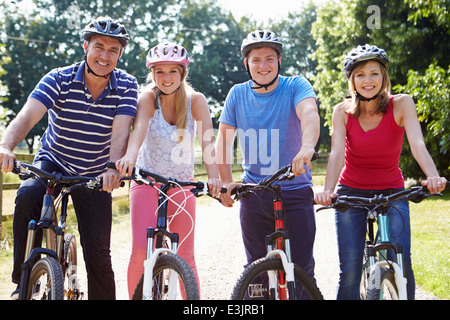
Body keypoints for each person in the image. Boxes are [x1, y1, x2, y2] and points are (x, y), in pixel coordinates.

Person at [0, 17, 138, 300]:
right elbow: (28, 115)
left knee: (99, 254)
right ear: (86, 47)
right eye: (99, 47)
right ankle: (23, 282)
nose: (105, 56)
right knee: (27, 195)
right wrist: (5, 146)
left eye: (113, 50)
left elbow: (121, 130)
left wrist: (112, 167)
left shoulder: (126, 85)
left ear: (120, 55)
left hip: (96, 171)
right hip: (54, 160)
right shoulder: (58, 78)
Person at [314, 44, 447, 300]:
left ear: (384, 77)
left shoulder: (402, 104)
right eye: (360, 74)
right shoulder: (342, 111)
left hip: (392, 191)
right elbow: (337, 155)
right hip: (351, 193)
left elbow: (417, 145)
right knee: (350, 270)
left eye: (374, 73)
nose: (368, 80)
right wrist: (328, 192)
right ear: (352, 80)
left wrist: (433, 176)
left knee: (402, 262)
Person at [114, 42, 222, 299]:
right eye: (160, 72)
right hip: (147, 180)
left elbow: (207, 141)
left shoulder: (196, 101)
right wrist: (129, 157)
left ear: (182, 73)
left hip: (182, 184)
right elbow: (138, 129)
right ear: (153, 74)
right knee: (141, 250)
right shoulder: (148, 98)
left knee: (185, 254)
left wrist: (214, 177)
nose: (166, 78)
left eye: (172, 71)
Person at [216, 30, 321, 291]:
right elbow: (224, 141)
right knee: (256, 270)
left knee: (302, 269)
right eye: (256, 60)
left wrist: (307, 147)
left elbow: (309, 112)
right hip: (254, 192)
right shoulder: (237, 94)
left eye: (269, 59)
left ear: (279, 61)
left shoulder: (296, 85)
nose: (263, 66)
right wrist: (227, 181)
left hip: (295, 189)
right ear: (247, 64)